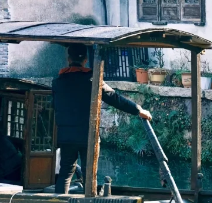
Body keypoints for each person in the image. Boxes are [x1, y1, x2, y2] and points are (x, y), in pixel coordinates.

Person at [52, 43, 152, 194]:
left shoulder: (58, 82)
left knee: (65, 172)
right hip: (88, 135)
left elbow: (54, 105)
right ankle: (89, 202)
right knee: (89, 173)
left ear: (68, 59)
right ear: (85, 60)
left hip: (66, 136)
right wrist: (138, 110)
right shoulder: (93, 80)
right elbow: (115, 98)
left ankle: (60, 202)